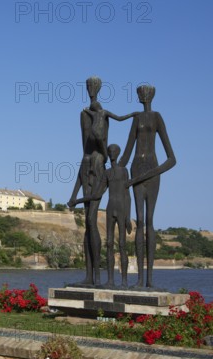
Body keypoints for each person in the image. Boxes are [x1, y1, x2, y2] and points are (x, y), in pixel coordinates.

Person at [68, 76, 137, 286]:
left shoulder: (101, 115)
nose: (90, 90)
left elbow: (101, 143)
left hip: (96, 167)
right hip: (86, 164)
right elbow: (84, 154)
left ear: (97, 89)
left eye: (93, 87)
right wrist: (73, 195)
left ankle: (97, 276)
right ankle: (89, 276)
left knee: (91, 221)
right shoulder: (83, 115)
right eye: (88, 87)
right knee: (87, 227)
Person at [119, 85, 176, 288]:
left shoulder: (157, 117)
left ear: (151, 95)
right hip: (136, 170)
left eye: (146, 92)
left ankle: (150, 279)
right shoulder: (136, 119)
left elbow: (172, 158)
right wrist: (114, 171)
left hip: (151, 170)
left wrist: (153, 172)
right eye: (140, 92)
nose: (142, 95)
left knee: (150, 220)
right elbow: (126, 152)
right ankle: (140, 279)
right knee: (140, 221)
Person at [69, 144, 132, 288]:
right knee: (109, 244)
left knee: (122, 244)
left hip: (121, 209)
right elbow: (97, 195)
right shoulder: (107, 173)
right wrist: (77, 200)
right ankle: (110, 280)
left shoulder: (124, 171)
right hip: (110, 209)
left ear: (119, 153)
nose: (112, 154)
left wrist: (128, 216)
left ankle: (124, 281)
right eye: (110, 152)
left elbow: (127, 195)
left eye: (114, 151)